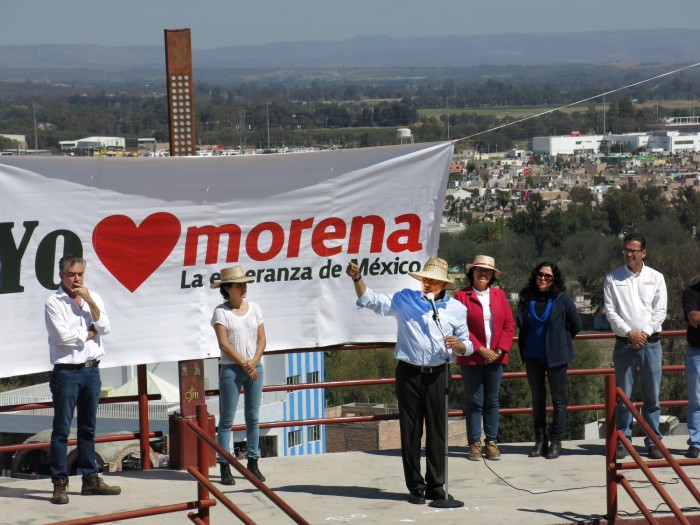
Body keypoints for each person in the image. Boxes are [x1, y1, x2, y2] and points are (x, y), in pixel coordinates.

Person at [346, 257, 472, 505]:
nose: (427, 283)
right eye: (425, 279)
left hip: (439, 373)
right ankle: (415, 487)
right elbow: (372, 300)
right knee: (411, 430)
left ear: (443, 285)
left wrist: (459, 345)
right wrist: (357, 279)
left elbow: (467, 345)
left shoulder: (456, 309)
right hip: (409, 373)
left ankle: (436, 486)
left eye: (433, 281)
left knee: (438, 431)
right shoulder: (405, 299)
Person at [45, 254, 121, 505]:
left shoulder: (93, 297)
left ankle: (90, 479)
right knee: (61, 431)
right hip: (67, 372)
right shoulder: (54, 302)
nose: (76, 279)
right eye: (71, 274)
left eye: (80, 274)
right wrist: (91, 332)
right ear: (61, 276)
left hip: (92, 370)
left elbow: (106, 328)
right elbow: (64, 338)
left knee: (88, 429)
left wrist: (89, 301)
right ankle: (60, 483)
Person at [603, 233, 667, 460]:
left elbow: (660, 311)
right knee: (623, 396)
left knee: (652, 397)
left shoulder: (656, 277)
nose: (629, 254)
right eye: (626, 250)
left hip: (651, 344)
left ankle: (653, 440)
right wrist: (630, 333)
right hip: (624, 344)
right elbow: (610, 312)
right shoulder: (612, 278)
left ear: (643, 253)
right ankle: (623, 440)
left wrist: (644, 333)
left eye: (633, 250)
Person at [516, 261, 581, 459]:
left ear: (554, 279)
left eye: (548, 276)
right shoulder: (526, 297)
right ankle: (540, 441)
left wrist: (560, 341)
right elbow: (520, 323)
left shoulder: (562, 298)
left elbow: (576, 324)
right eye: (540, 274)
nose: (543, 279)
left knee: (559, 400)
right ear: (535, 276)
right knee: (537, 400)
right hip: (532, 355)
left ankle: (556, 442)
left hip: (556, 357)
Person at [454, 255, 515, 462]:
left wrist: (499, 350)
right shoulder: (461, 296)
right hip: (472, 356)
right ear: (472, 272)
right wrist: (480, 349)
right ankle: (474, 443)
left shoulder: (499, 295)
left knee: (492, 400)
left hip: (496, 358)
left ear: (492, 276)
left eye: (487, 271)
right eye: (479, 270)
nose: (483, 274)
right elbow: (460, 326)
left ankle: (491, 441)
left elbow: (509, 325)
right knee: (474, 400)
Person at [210, 266, 267, 485]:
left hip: (255, 367)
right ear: (227, 288)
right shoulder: (221, 312)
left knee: (253, 417)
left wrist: (253, 362)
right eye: (239, 285)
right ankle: (225, 466)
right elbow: (223, 344)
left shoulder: (255, 308)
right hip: (232, 369)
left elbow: (262, 339)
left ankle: (253, 462)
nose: (244, 288)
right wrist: (245, 364)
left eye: (245, 284)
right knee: (227, 420)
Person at [681, 277, 700, 458]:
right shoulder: (690, 292)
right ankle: (696, 442)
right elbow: (694, 317)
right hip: (697, 353)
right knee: (697, 400)